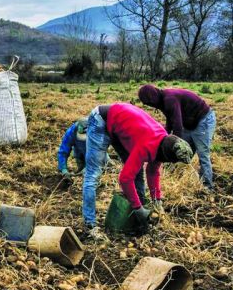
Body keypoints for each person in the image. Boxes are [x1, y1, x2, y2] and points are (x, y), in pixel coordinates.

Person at [82, 103, 193, 240]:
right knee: (93, 174)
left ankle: (139, 221)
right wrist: (137, 208)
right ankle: (90, 226)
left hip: (120, 125)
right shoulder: (147, 145)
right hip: (101, 119)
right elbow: (124, 179)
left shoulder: (165, 142)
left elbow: (152, 172)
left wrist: (157, 200)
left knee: (137, 171)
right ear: (165, 155)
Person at [138, 84, 216, 190]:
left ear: (153, 97)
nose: (150, 106)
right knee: (183, 153)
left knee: (202, 154)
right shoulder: (162, 101)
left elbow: (177, 125)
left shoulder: (169, 99)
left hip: (203, 120)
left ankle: (207, 186)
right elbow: (170, 122)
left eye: (149, 103)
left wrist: (175, 143)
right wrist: (161, 138)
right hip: (190, 123)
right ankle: (179, 178)